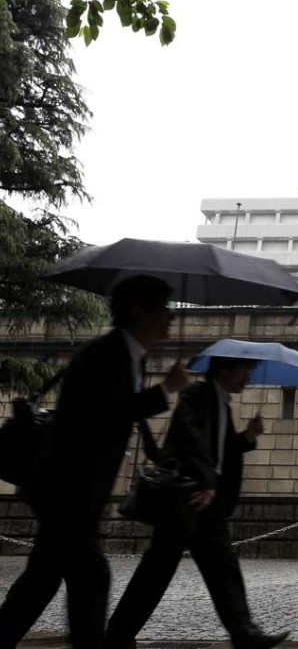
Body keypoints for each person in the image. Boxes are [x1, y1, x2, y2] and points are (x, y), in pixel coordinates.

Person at [0, 274, 189, 649]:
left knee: (41, 581)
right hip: (67, 487)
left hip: (71, 487)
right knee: (91, 577)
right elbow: (103, 414)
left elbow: (118, 415)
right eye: (164, 308)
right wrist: (165, 390)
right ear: (138, 309)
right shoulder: (107, 353)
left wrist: (157, 449)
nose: (171, 317)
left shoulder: (128, 354)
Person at [103, 356, 289, 649]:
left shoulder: (220, 403)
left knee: (220, 567)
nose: (248, 378)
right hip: (189, 497)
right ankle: (117, 635)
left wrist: (249, 437)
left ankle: (244, 632)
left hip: (205, 501)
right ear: (225, 370)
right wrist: (207, 482)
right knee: (157, 571)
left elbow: (223, 452)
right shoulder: (197, 394)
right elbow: (190, 438)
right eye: (244, 370)